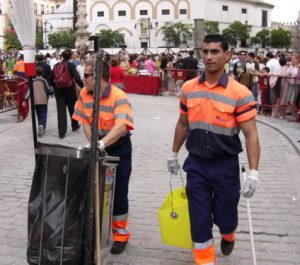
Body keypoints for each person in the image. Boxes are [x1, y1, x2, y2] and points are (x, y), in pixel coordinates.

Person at [167, 34, 260, 265]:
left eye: (215, 52)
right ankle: (205, 261)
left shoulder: (240, 93)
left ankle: (228, 234)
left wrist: (254, 172)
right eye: (205, 51)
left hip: (225, 166)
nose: (209, 57)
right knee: (199, 221)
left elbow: (251, 134)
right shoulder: (189, 88)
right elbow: (182, 123)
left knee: (225, 216)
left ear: (226, 55)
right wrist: (173, 153)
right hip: (196, 165)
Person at [72, 60, 134, 255]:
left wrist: (103, 143)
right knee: (94, 189)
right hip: (98, 146)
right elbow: (85, 121)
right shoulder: (84, 93)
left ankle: (121, 235)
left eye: (87, 75)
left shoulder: (119, 96)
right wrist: (94, 144)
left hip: (118, 147)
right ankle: (95, 230)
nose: (84, 79)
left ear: (100, 77)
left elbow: (121, 126)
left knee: (118, 192)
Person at [49, 48, 84, 138]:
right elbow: (76, 78)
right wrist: (83, 86)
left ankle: (61, 132)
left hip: (59, 91)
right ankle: (74, 126)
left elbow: (50, 79)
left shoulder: (56, 65)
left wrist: (55, 86)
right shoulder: (71, 65)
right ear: (70, 56)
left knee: (61, 111)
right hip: (70, 90)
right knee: (72, 109)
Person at [22, 67, 52, 137]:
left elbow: (29, 92)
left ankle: (40, 125)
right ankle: (42, 126)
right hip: (43, 100)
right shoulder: (44, 81)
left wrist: (25, 100)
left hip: (35, 101)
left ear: (35, 73)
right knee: (43, 114)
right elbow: (48, 90)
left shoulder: (32, 81)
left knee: (38, 114)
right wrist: (51, 92)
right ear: (42, 73)